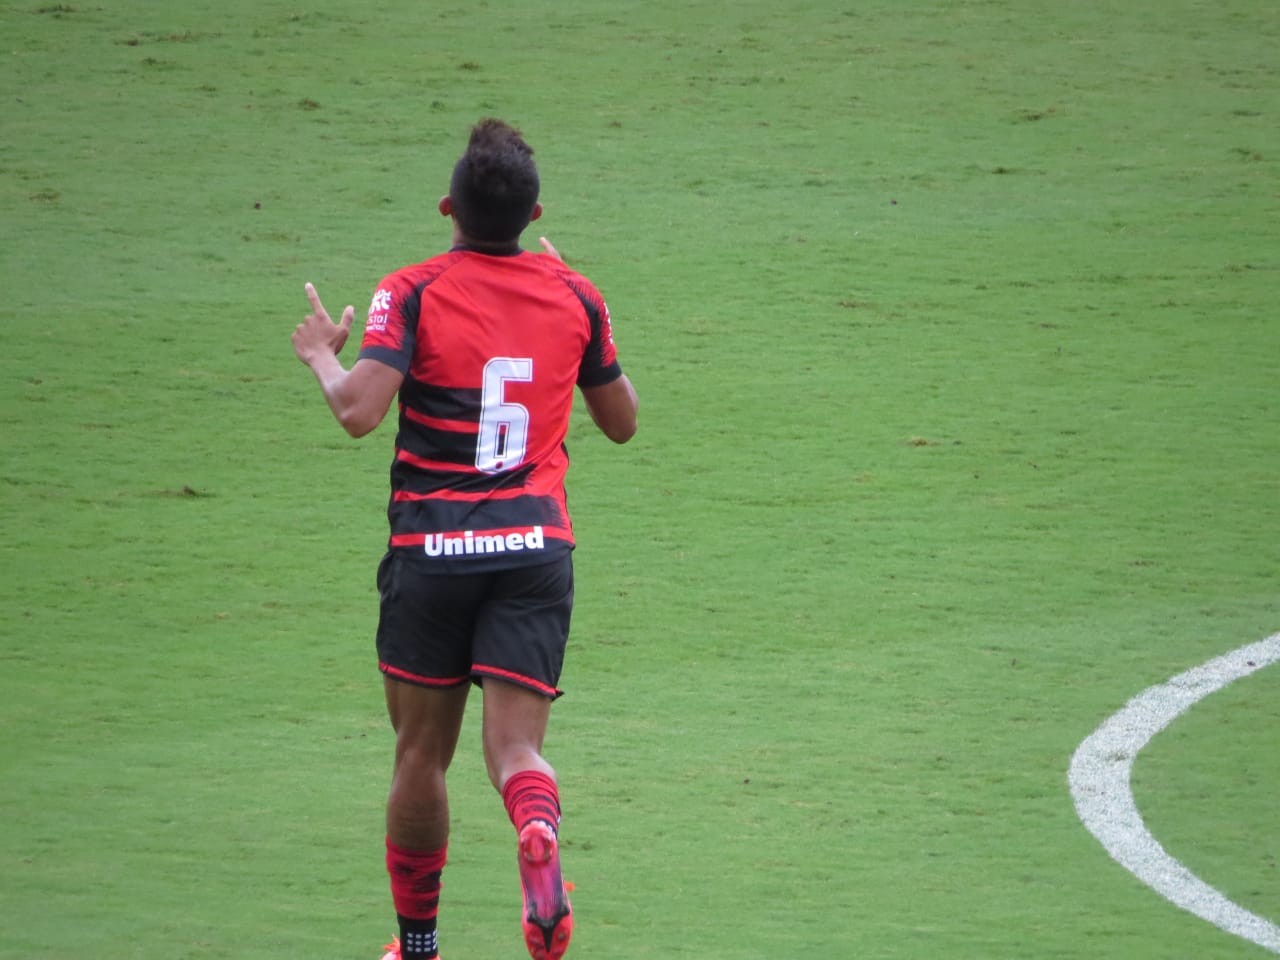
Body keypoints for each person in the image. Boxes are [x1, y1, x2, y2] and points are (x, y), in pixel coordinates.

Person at [290, 118, 638, 960]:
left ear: (448, 207)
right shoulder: (576, 294)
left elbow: (358, 412)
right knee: (516, 750)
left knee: (420, 757)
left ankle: (418, 948)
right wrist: (577, 301)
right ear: (534, 214)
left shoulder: (410, 290)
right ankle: (537, 831)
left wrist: (322, 357)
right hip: (535, 549)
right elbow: (622, 422)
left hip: (433, 554)